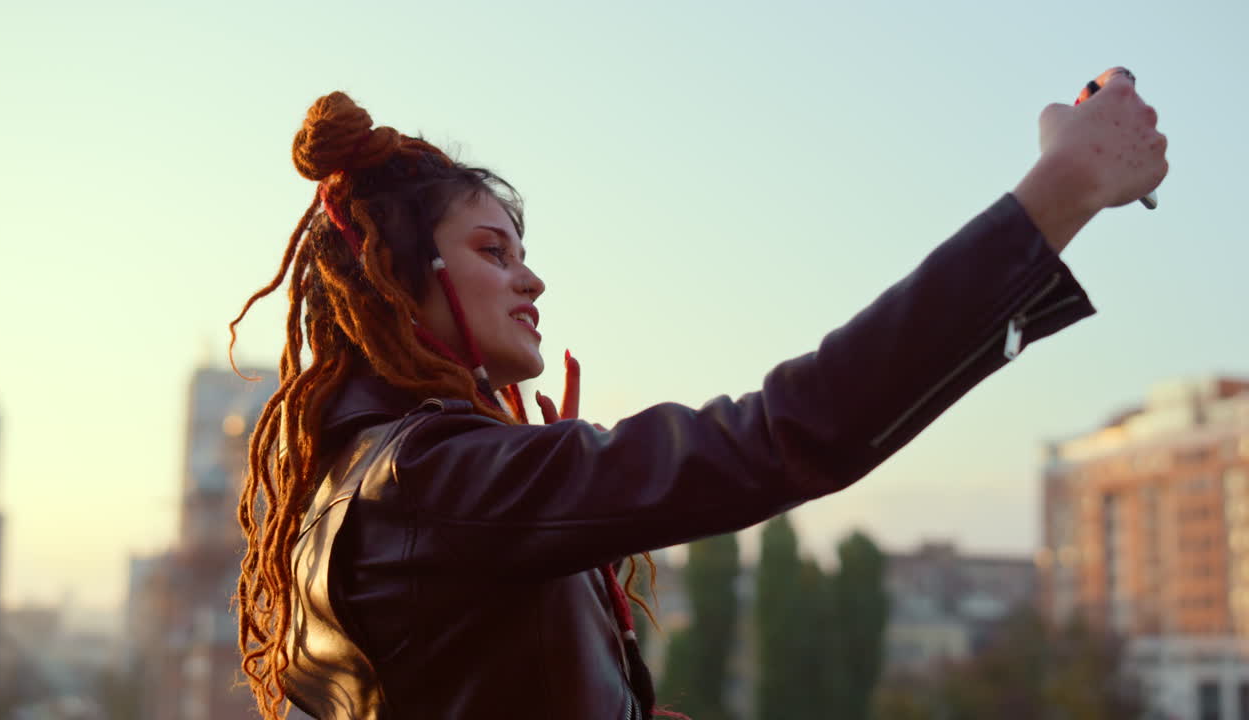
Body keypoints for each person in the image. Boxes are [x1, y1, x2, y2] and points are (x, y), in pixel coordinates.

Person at [229, 67, 1167, 720]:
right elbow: (786, 435)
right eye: (492, 251)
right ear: (399, 272)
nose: (532, 281)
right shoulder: (434, 481)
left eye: (522, 253)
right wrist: (1059, 193)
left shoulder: (382, 482)